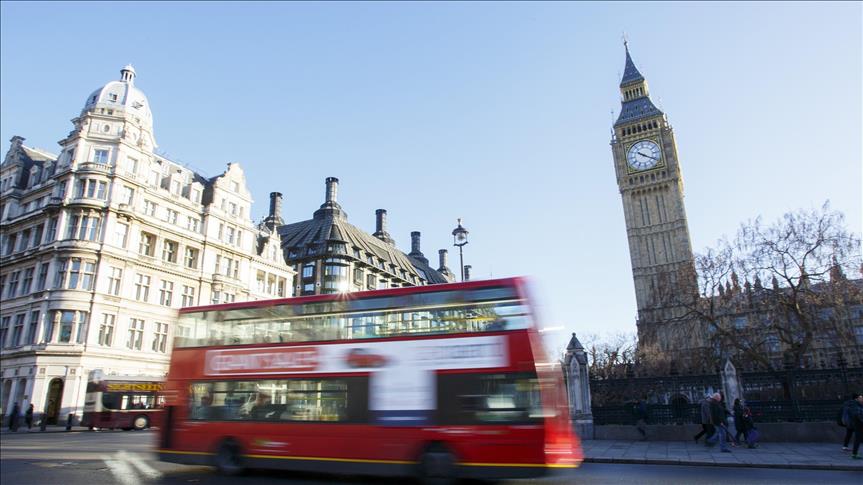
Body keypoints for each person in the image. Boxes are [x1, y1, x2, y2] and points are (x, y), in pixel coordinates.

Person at [850, 393, 863, 460]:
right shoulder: (856, 406)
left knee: (857, 440)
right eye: (861, 398)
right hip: (859, 426)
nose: (862, 399)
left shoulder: (860, 406)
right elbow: (859, 416)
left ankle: (854, 454)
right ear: (857, 399)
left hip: (859, 426)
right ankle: (854, 454)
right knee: (857, 440)